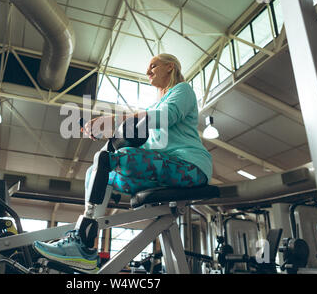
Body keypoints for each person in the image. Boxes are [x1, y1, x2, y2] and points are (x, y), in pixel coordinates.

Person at [32, 54, 213, 273]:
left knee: (121, 158)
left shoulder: (182, 90)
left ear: (170, 67)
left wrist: (116, 120)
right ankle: (84, 246)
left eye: (153, 66)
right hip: (165, 166)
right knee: (97, 169)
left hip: (190, 166)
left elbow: (166, 116)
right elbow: (145, 144)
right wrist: (112, 133)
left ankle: (82, 242)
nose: (148, 72)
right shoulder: (155, 104)